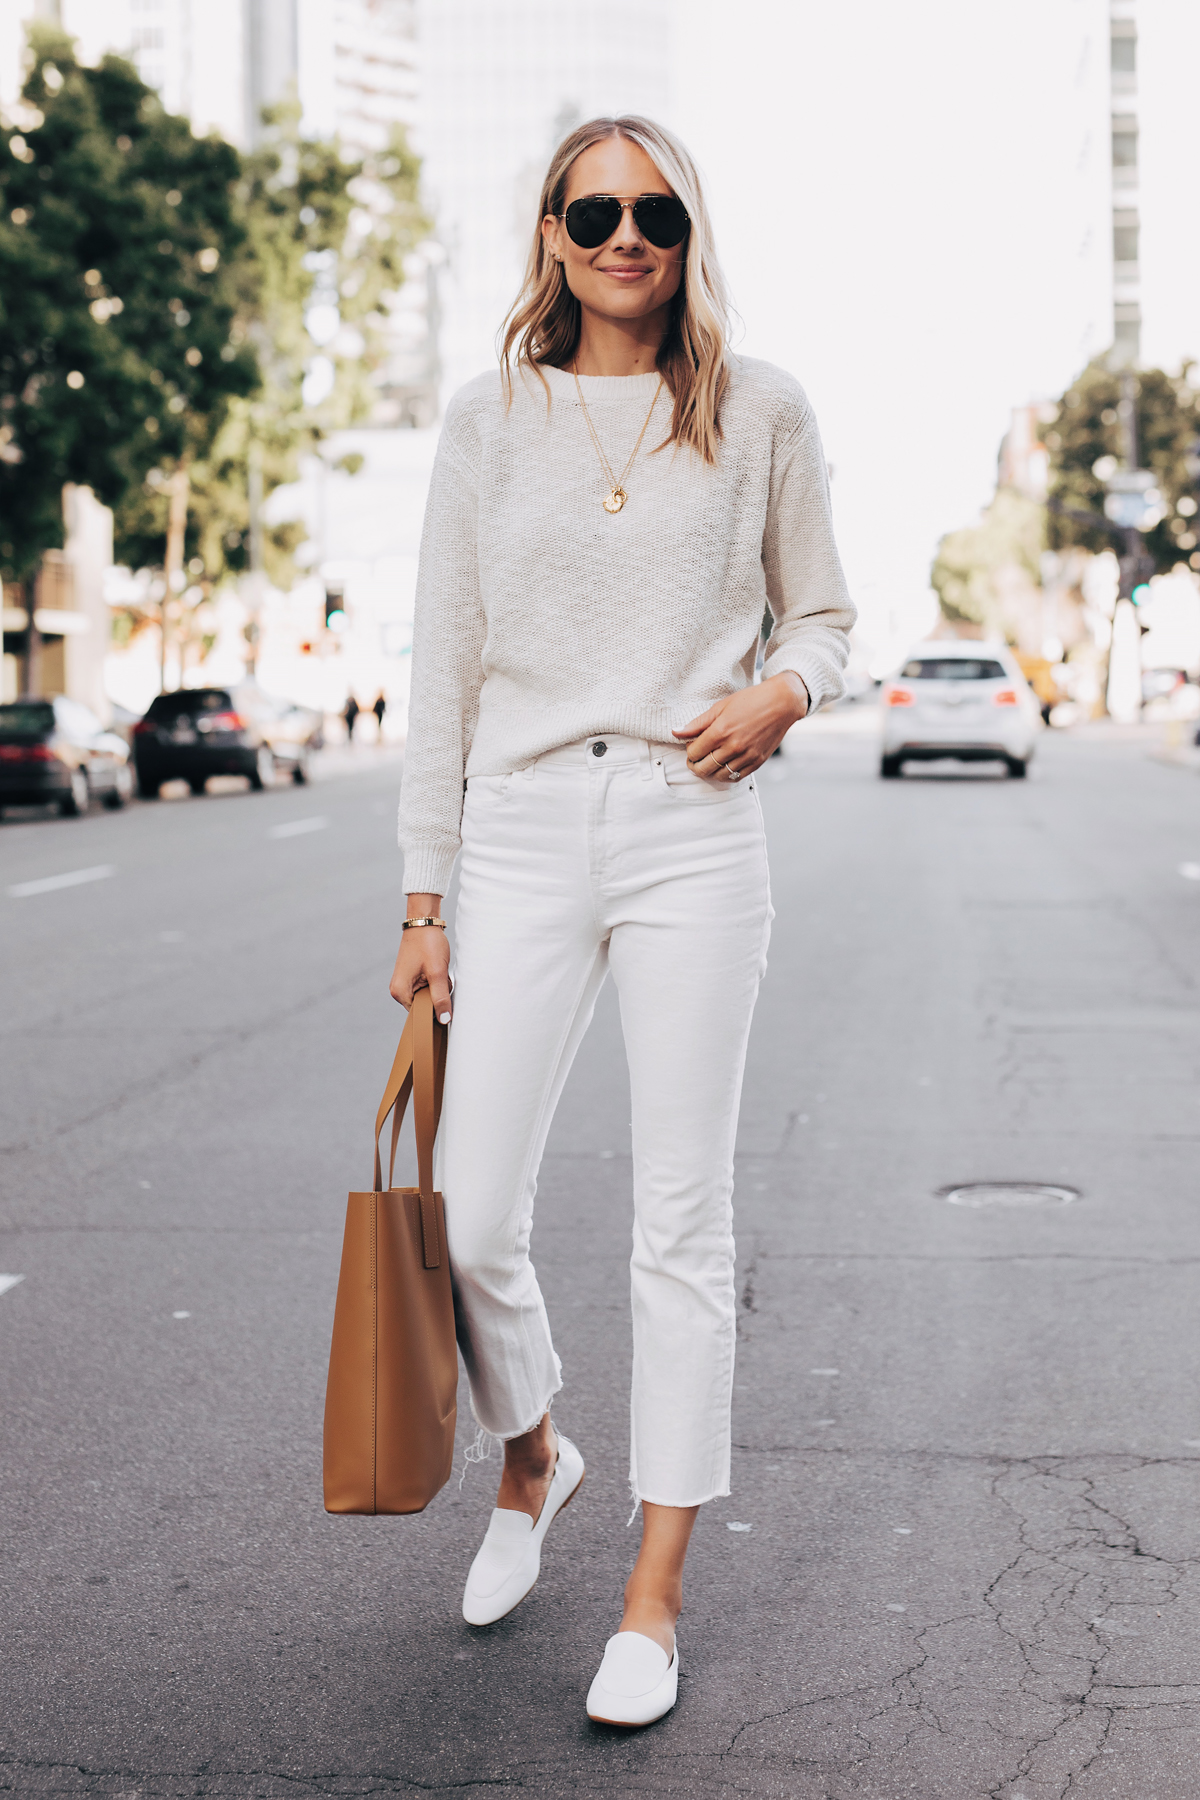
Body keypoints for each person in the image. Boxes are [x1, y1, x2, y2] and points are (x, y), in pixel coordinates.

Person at [391, 115, 854, 1727]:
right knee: (465, 1218)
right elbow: (441, 665)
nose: (625, 233)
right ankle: (534, 1454)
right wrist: (423, 894)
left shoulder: (761, 410)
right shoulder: (487, 418)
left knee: (681, 1226)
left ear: (687, 228)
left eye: (653, 209)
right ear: (550, 234)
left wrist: (783, 696)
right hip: (516, 828)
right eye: (594, 209)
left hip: (689, 830)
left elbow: (827, 613)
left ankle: (651, 1603)